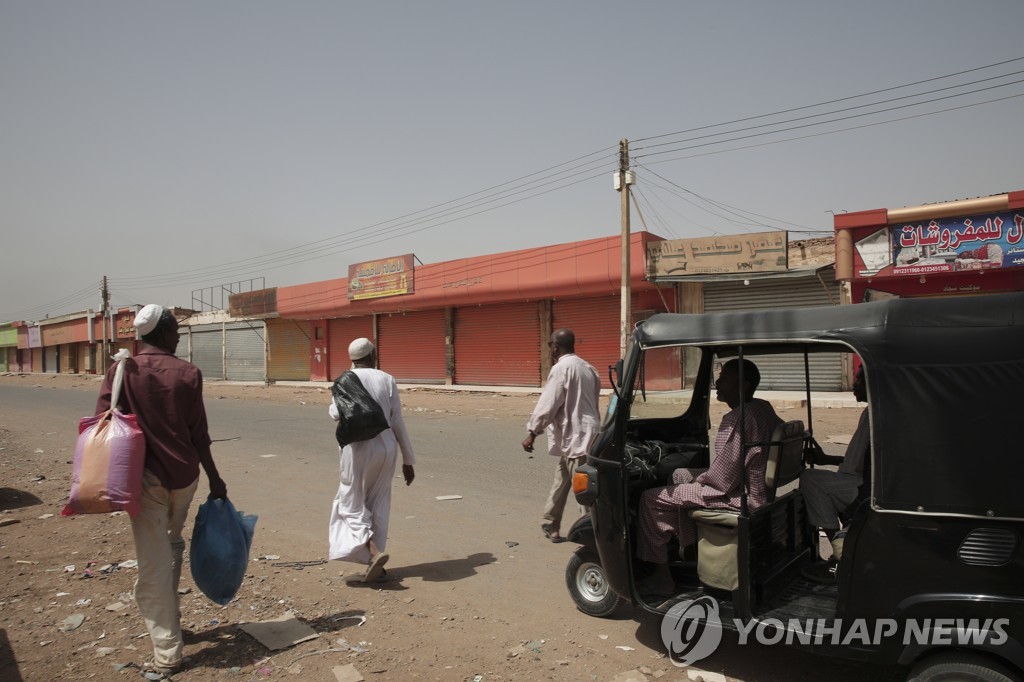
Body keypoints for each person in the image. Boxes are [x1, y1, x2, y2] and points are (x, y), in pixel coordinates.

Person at [95, 304, 227, 679]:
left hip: (144, 479)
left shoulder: (121, 371)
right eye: (177, 329)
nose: (180, 335)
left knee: (153, 561)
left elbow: (105, 421)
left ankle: (168, 653)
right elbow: (198, 433)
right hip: (184, 478)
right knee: (170, 546)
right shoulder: (187, 373)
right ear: (165, 331)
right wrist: (215, 479)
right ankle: (173, 629)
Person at [636, 358, 782, 596]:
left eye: (725, 378)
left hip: (740, 497)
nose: (718, 382)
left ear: (744, 386)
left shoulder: (737, 419)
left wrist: (698, 481)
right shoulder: (762, 408)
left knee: (650, 499)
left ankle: (661, 579)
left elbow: (722, 481)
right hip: (751, 488)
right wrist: (692, 478)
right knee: (679, 474)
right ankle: (689, 546)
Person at [328, 338, 415, 582]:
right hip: (387, 448)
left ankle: (374, 552)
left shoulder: (345, 380)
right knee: (379, 503)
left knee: (349, 501)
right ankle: (376, 565)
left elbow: (335, 413)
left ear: (352, 358)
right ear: (372, 355)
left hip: (357, 450)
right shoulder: (387, 378)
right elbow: (397, 420)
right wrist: (408, 460)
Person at [522, 328, 601, 543]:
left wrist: (532, 432)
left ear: (556, 347)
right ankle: (551, 522)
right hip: (585, 434)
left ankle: (591, 532)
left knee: (582, 487)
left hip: (578, 436)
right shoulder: (589, 368)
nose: (550, 349)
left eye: (550, 345)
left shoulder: (561, 368)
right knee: (562, 480)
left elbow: (548, 404)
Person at [800, 365, 870, 581]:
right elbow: (858, 459)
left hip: (863, 487)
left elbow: (873, 464)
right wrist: (827, 459)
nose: (854, 384)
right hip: (856, 479)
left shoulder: (879, 415)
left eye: (860, 380)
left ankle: (841, 557)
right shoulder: (869, 412)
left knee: (811, 480)